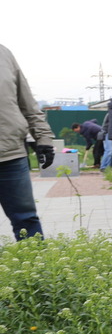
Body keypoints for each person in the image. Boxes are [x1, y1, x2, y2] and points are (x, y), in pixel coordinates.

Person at [1, 44, 55, 240]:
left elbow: (28, 103)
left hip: (10, 154)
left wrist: (44, 138)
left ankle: (35, 266)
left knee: (26, 219)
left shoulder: (4, 53)